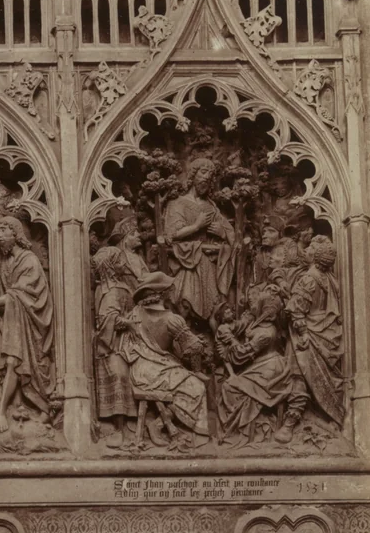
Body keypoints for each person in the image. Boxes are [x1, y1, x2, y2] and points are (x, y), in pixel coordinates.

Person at [0, 216, 56, 434]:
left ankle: (32, 408)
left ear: (15, 234)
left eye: (3, 230)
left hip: (33, 321)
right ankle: (7, 410)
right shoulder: (6, 263)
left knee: (22, 362)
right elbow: (4, 289)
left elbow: (22, 292)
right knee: (13, 361)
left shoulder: (29, 260)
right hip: (16, 319)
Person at [117, 271, 211, 447]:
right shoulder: (172, 319)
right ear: (162, 294)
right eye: (170, 289)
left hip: (139, 370)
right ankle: (159, 425)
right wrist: (197, 369)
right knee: (197, 387)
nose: (174, 291)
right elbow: (194, 348)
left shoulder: (135, 313)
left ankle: (159, 424)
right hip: (156, 372)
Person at [217, 288, 307, 447]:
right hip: (263, 365)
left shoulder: (265, 333)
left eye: (257, 303)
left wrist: (230, 343)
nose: (253, 306)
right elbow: (240, 326)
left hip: (270, 370)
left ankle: (242, 429)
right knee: (231, 384)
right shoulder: (260, 323)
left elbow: (240, 356)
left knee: (229, 387)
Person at [284, 234, 344, 439]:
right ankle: (331, 417)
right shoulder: (330, 279)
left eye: (310, 248)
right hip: (327, 334)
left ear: (316, 256)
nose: (306, 250)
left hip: (309, 334)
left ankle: (290, 423)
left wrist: (302, 333)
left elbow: (296, 310)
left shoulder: (308, 279)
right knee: (322, 378)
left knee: (299, 373)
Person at [161, 161, 235, 322]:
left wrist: (222, 233)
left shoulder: (211, 207)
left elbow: (231, 234)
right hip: (184, 260)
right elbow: (171, 235)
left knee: (213, 304)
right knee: (185, 300)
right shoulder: (177, 203)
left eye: (210, 176)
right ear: (193, 175)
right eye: (203, 172)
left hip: (207, 261)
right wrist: (196, 226)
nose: (207, 178)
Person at [93, 245, 138, 441]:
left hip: (130, 340)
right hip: (112, 344)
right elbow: (106, 320)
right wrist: (129, 322)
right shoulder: (107, 290)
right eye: (119, 260)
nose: (123, 263)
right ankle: (119, 426)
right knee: (120, 374)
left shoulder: (122, 285)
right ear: (110, 265)